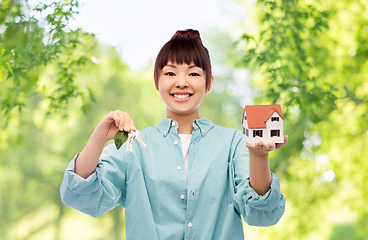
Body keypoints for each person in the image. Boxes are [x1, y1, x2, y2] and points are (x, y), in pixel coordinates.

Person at [60, 29, 287, 239]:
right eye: (170, 72)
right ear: (156, 81)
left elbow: (262, 214)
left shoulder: (233, 143)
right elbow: (81, 197)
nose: (181, 83)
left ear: (209, 83)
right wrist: (99, 138)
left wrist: (259, 156)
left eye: (194, 74)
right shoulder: (135, 145)